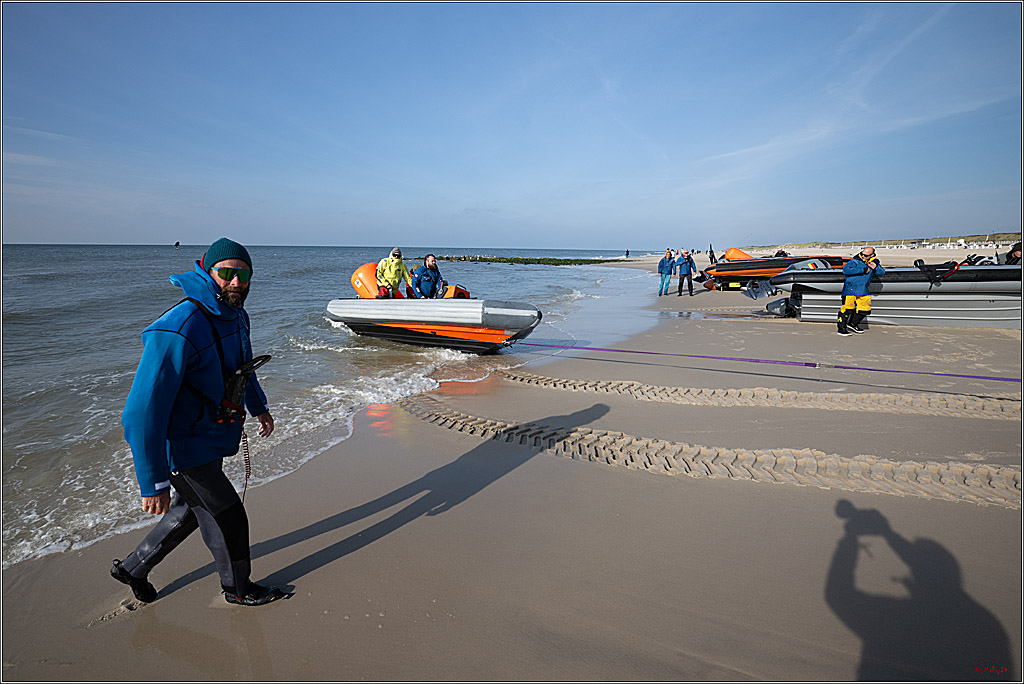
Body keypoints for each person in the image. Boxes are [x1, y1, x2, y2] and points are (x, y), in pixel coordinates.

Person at [111, 237, 284, 607]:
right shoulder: (177, 328)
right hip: (183, 447)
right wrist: (152, 482)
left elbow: (243, 370)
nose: (237, 282)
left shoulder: (237, 315)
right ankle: (238, 589)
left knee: (191, 510)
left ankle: (133, 568)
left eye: (244, 274)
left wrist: (259, 408)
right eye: (227, 273)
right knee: (228, 516)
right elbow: (141, 414)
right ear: (207, 271)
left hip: (210, 435)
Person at [837, 246, 885, 336]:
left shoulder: (873, 263)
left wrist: (875, 267)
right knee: (846, 309)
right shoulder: (854, 261)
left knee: (865, 309)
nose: (863, 256)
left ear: (872, 255)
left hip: (863, 290)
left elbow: (881, 273)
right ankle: (841, 328)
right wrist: (862, 270)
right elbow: (846, 270)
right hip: (850, 290)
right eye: (862, 254)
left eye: (866, 255)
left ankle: (852, 324)